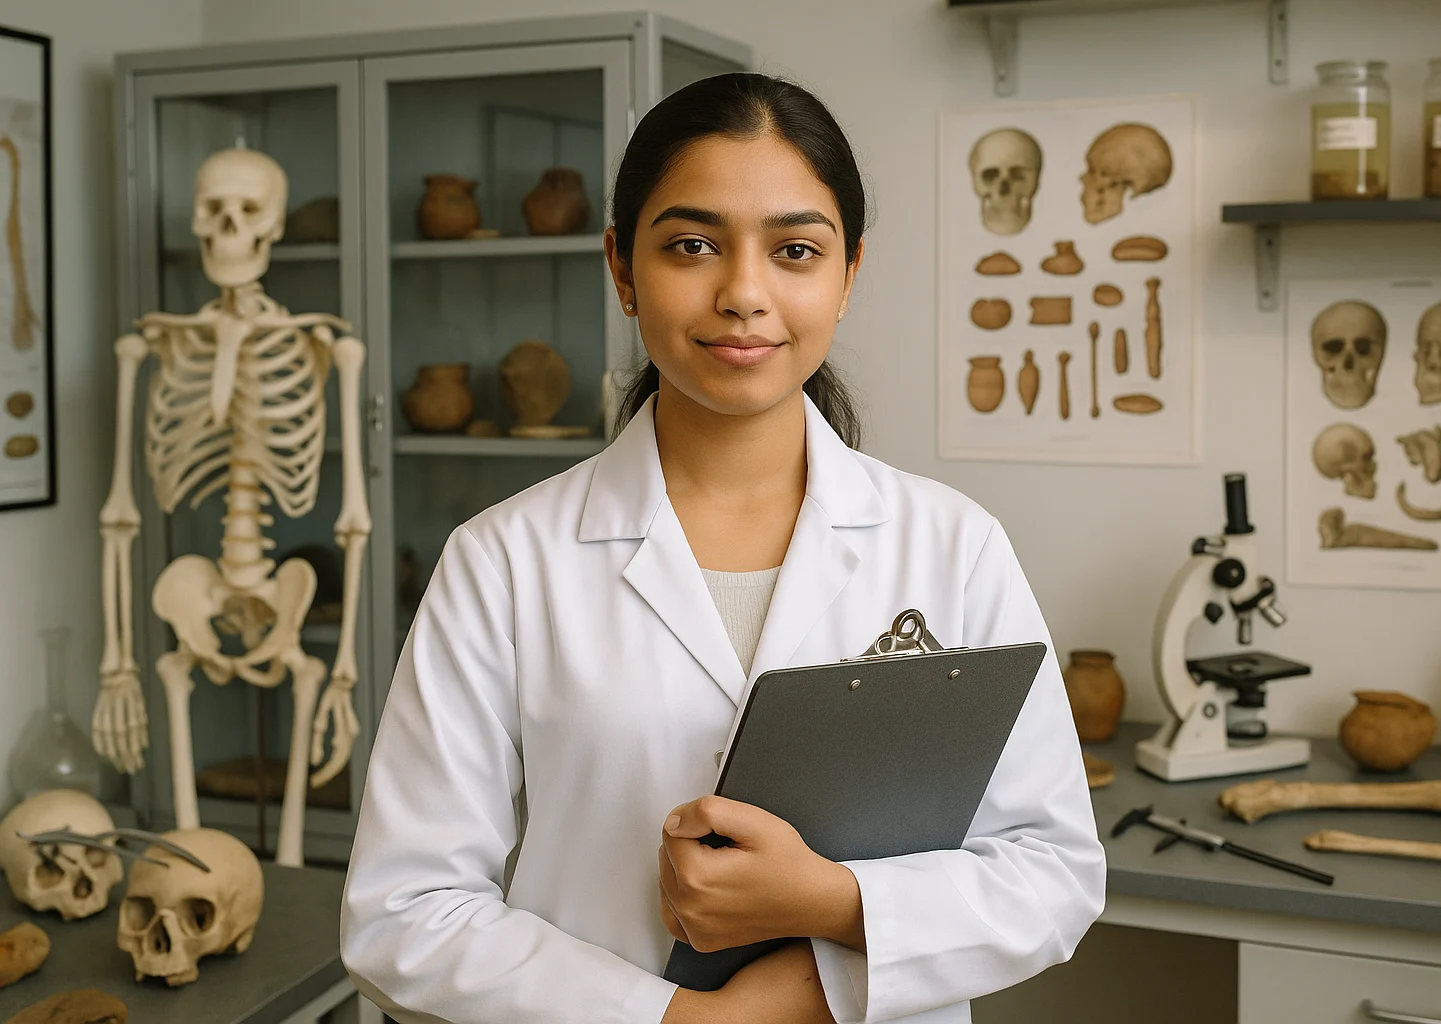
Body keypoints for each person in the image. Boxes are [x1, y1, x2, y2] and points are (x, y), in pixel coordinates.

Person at [341, 72, 1105, 1024]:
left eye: (794, 250)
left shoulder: (953, 546)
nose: (744, 293)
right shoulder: (502, 561)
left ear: (849, 272)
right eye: (692, 245)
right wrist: (680, 1021)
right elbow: (402, 914)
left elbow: (1053, 871)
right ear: (622, 267)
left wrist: (829, 913)